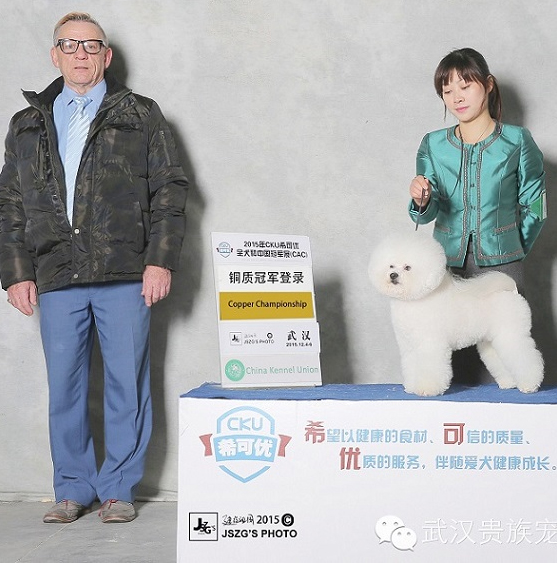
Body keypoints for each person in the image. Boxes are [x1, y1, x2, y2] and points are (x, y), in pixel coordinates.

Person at [0, 12, 188, 523]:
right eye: (69, 44)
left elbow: (169, 191)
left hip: (125, 271)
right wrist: (16, 271)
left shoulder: (141, 113)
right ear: (54, 55)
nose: (80, 53)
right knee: (65, 388)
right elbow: (10, 202)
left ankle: (119, 489)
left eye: (90, 45)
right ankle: (71, 489)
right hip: (55, 271)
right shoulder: (26, 123)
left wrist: (159, 261)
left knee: (127, 385)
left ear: (106, 56)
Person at [408, 48, 546, 293]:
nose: (457, 98)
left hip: (503, 266)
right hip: (445, 265)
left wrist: (512, 251)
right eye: (447, 91)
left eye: (465, 87)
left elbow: (537, 207)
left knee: (506, 320)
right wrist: (422, 200)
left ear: (488, 84)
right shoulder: (432, 144)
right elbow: (425, 214)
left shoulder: (518, 141)